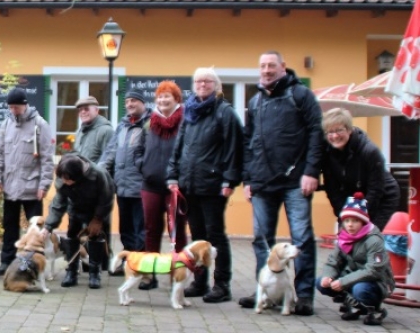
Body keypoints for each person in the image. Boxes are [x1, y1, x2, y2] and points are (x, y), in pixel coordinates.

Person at [239, 51, 324, 316]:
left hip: (296, 182)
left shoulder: (301, 96)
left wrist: (311, 171)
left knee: (301, 239)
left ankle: (305, 295)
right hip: (262, 183)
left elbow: (316, 133)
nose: (266, 70)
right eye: (262, 66)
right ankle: (265, 292)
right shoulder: (255, 102)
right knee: (261, 240)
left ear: (283, 67)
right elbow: (248, 143)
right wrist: (248, 179)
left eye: (271, 65)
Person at [167, 70, 243, 303]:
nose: (202, 84)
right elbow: (178, 147)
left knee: (215, 235)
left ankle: (222, 286)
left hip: (213, 185)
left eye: (207, 81)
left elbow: (235, 148)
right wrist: (173, 175)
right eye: (198, 81)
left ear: (216, 86)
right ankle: (200, 282)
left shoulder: (225, 112)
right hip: (189, 185)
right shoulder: (189, 112)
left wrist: (229, 180)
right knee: (197, 236)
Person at [0, 87, 55, 276]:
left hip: (33, 188)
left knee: (35, 230)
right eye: (11, 108)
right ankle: (6, 262)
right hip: (10, 186)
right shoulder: (6, 125)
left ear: (25, 105)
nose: (13, 111)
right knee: (9, 227)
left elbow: (47, 159)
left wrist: (44, 185)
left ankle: (33, 264)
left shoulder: (40, 125)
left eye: (16, 107)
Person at [134, 81, 185, 290]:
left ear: (177, 100)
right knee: (151, 230)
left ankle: (178, 275)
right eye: (160, 97)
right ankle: (149, 273)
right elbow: (137, 150)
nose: (163, 100)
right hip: (151, 184)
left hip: (176, 187)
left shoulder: (185, 123)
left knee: (177, 232)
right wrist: (144, 167)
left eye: (168, 97)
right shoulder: (149, 123)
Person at [317, 193, 395, 326]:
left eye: (355, 221)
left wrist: (343, 281)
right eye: (347, 221)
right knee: (320, 283)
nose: (350, 225)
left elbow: (374, 270)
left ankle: (375, 309)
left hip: (376, 282)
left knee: (360, 290)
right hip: (352, 278)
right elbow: (333, 261)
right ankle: (354, 304)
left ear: (363, 222)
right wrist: (327, 276)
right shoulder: (343, 238)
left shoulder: (374, 240)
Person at [320, 108, 400, 230]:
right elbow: (333, 191)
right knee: (346, 239)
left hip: (382, 197)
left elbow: (375, 190)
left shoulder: (369, 151)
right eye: (330, 132)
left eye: (339, 130)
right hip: (353, 197)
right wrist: (344, 216)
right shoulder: (327, 153)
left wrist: (360, 216)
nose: (335, 136)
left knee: (369, 238)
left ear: (349, 130)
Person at [46, 154, 114, 289]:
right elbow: (58, 203)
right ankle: (71, 273)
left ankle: (95, 274)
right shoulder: (63, 176)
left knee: (96, 236)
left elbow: (106, 199)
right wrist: (48, 226)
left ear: (78, 177)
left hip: (96, 210)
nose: (64, 182)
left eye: (67, 180)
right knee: (72, 235)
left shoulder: (99, 175)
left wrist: (98, 219)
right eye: (62, 179)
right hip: (75, 208)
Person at [99, 90, 150, 253]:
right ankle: (128, 261)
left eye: (133, 101)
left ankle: (141, 265)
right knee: (125, 229)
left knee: (141, 230)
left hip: (141, 188)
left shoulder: (151, 124)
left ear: (143, 103)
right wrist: (99, 170)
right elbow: (111, 151)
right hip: (121, 187)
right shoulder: (122, 126)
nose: (129, 104)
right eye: (127, 102)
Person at [73, 96, 114, 163]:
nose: (83, 112)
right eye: (80, 110)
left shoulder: (106, 131)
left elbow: (108, 161)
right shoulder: (79, 132)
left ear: (96, 110)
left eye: (86, 109)